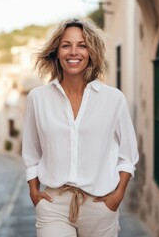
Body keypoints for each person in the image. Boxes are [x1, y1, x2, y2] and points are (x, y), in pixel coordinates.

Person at [22, 18, 139, 237]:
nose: (73, 52)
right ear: (56, 52)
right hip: (54, 204)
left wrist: (118, 195)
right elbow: (31, 151)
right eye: (66, 45)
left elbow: (128, 155)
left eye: (82, 45)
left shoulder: (113, 99)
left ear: (91, 52)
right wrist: (34, 192)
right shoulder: (38, 99)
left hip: (101, 205)